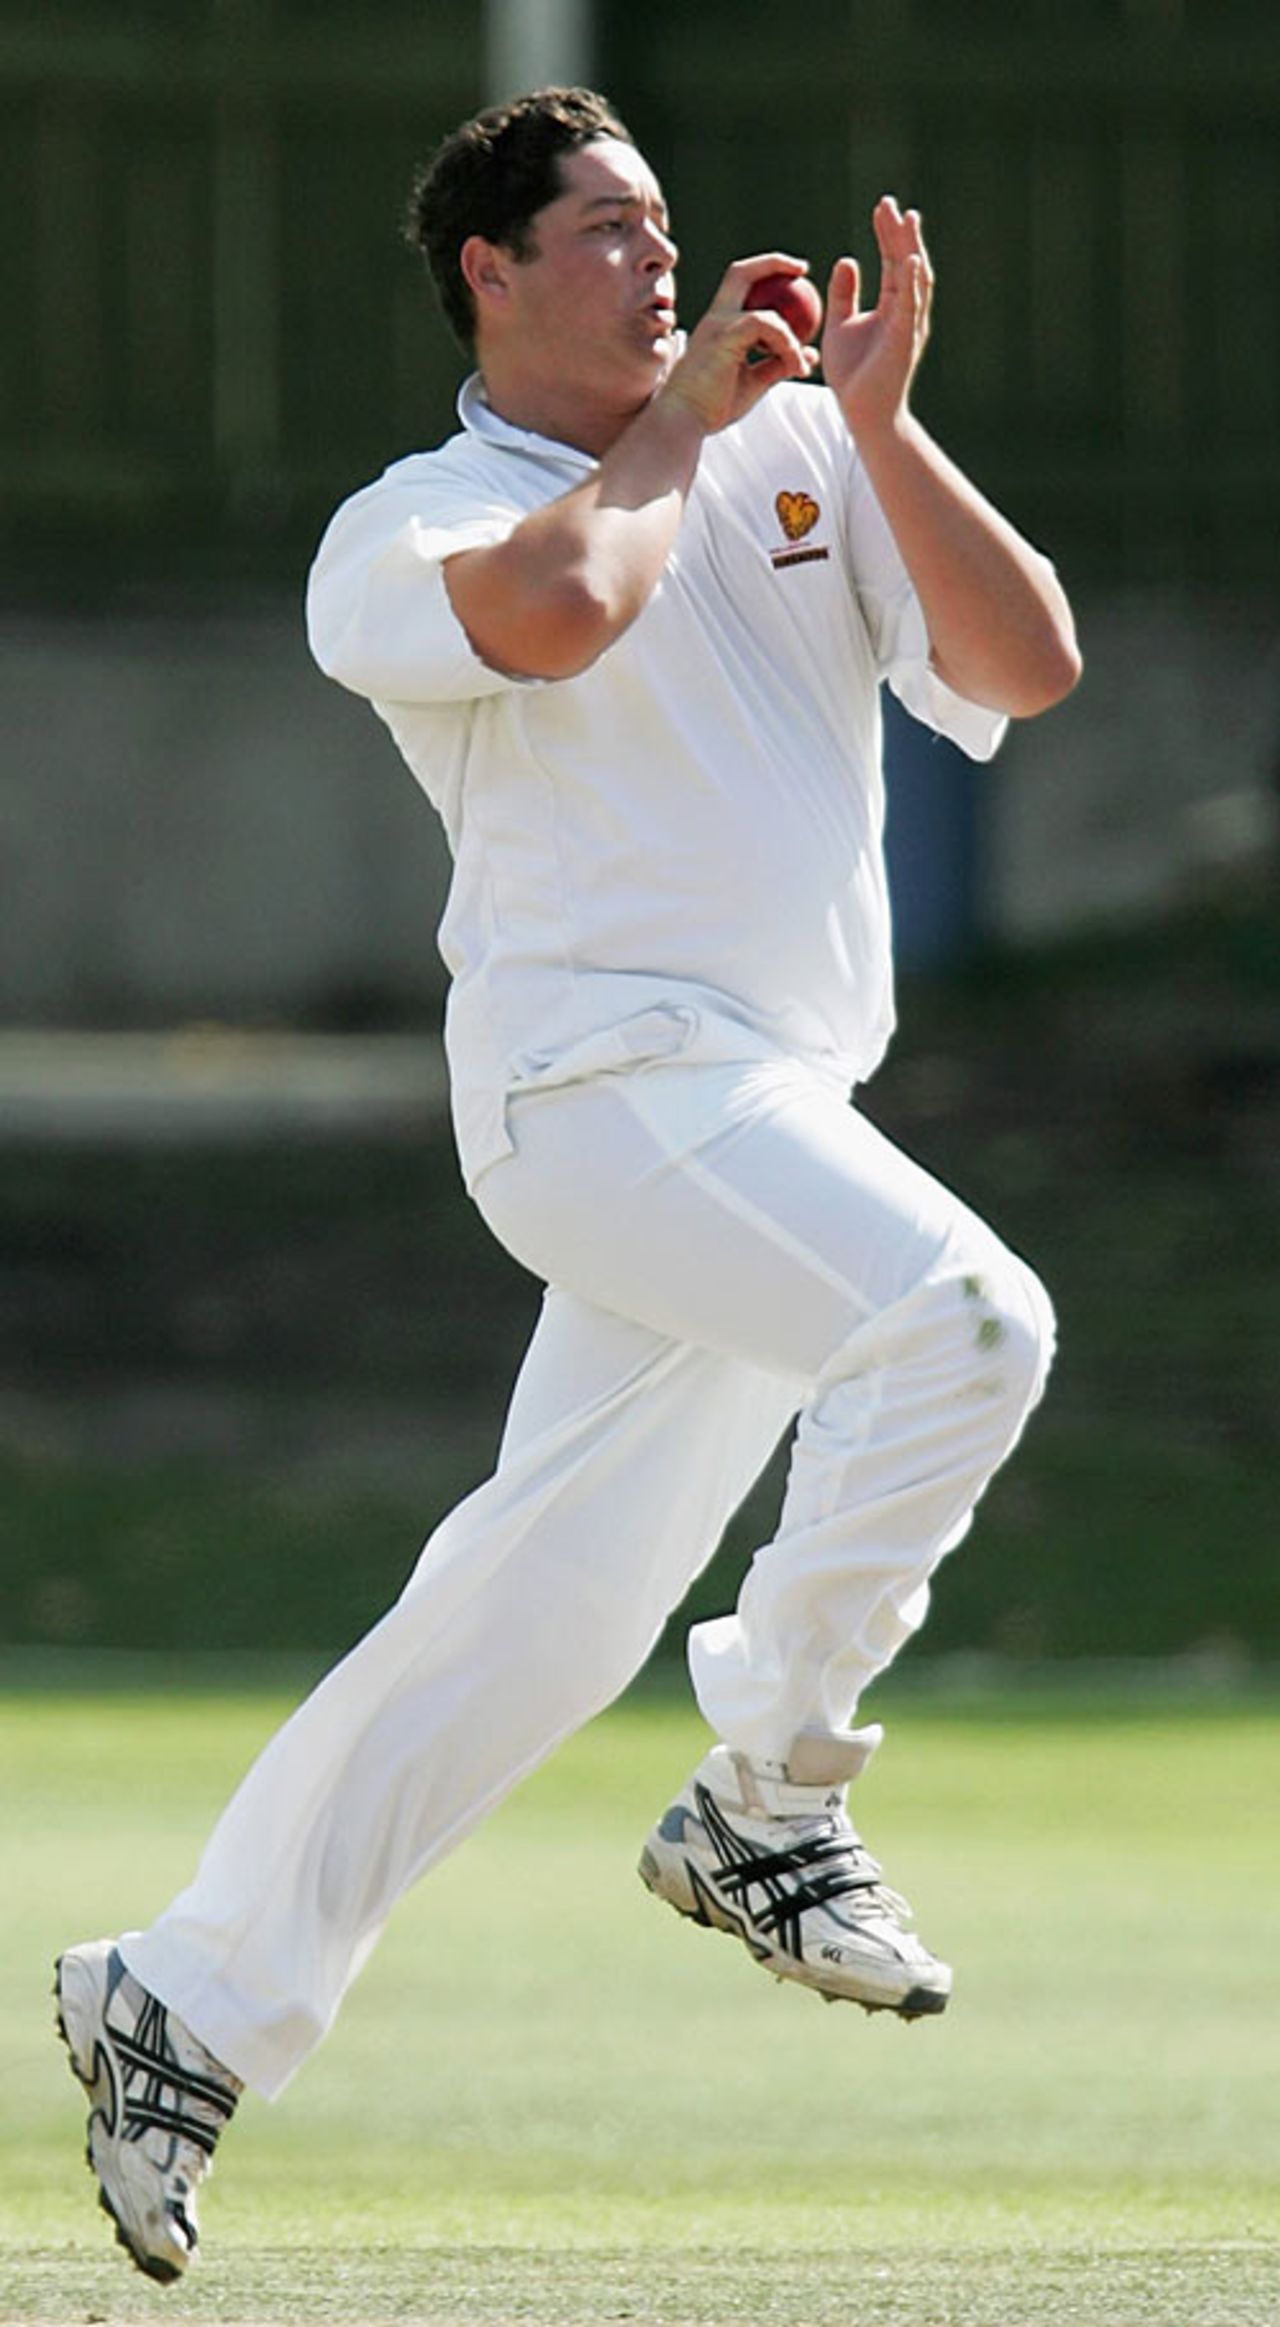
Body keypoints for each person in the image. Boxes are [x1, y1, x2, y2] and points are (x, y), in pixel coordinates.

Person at [55, 86, 1080, 2286]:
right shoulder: (408, 523)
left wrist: (881, 426)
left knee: (530, 1615)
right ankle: (770, 1798)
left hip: (764, 1117)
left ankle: (186, 1998)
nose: (656, 260)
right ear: (486, 276)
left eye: (662, 225)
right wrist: (693, 429)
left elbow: (1023, 667)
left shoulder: (804, 454)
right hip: (600, 1097)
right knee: (966, 1322)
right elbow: (553, 615)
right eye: (602, 232)